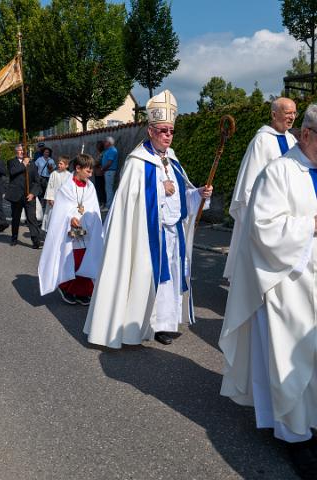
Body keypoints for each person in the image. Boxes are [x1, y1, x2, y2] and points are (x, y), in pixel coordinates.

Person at [219, 104, 317, 479]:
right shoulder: (279, 173)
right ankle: (295, 436)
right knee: (293, 360)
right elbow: (263, 228)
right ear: (306, 136)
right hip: (287, 283)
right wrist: (311, 225)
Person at [84, 89, 213, 348]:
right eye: (163, 130)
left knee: (170, 278)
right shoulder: (137, 161)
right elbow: (133, 202)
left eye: (171, 131)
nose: (168, 135)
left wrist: (198, 193)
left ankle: (164, 323)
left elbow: (181, 193)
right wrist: (160, 187)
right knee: (150, 278)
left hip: (172, 231)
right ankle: (144, 324)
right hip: (146, 234)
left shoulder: (172, 158)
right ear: (151, 131)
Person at [224, 97, 297, 280]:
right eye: (288, 113)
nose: (292, 117)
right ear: (274, 114)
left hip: (286, 214)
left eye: (295, 113)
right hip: (265, 214)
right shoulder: (261, 141)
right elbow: (250, 182)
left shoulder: (292, 140)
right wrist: (253, 217)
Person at [39, 154, 103, 306]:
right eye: (88, 171)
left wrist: (88, 222)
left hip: (86, 231)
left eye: (91, 171)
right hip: (70, 232)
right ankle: (66, 287)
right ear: (78, 168)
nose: (91, 174)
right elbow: (60, 211)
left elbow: (93, 207)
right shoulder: (66, 188)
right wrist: (70, 218)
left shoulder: (90, 187)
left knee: (86, 259)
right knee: (72, 261)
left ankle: (84, 291)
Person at [6, 144, 41, 248]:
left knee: (31, 218)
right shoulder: (12, 162)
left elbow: (37, 181)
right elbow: (12, 172)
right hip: (16, 196)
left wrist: (33, 193)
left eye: (23, 150)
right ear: (16, 151)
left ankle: (36, 240)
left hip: (29, 196)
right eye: (20, 150)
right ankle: (14, 237)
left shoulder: (33, 164)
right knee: (15, 218)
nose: (22, 152)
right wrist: (24, 164)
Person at [42, 155, 72, 232]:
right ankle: (48, 233)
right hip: (53, 200)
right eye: (58, 163)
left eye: (61, 164)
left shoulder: (70, 176)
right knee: (51, 216)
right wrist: (50, 198)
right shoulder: (54, 174)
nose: (59, 165)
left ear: (66, 165)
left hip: (64, 201)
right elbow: (50, 186)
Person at [101, 136, 118, 210]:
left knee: (109, 189)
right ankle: (109, 205)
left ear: (109, 143)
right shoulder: (108, 150)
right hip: (108, 171)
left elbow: (109, 162)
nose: (104, 143)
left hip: (109, 171)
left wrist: (102, 169)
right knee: (108, 188)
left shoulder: (112, 150)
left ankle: (109, 206)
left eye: (105, 142)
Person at [93, 140, 106, 208]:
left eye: (97, 146)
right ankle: (101, 202)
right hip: (97, 173)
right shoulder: (100, 154)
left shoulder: (102, 154)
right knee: (98, 189)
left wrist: (94, 163)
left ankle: (102, 203)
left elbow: (96, 163)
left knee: (100, 189)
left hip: (100, 174)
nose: (96, 147)